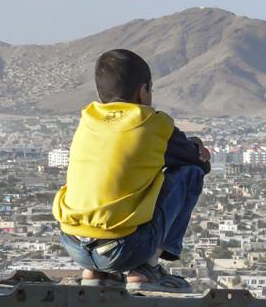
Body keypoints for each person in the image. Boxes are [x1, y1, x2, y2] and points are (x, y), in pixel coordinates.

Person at [52, 49, 211, 293]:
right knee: (190, 173)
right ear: (143, 90)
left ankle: (95, 273)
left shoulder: (88, 120)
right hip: (125, 249)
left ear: (99, 93)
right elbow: (198, 162)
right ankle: (146, 270)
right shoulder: (152, 123)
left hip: (73, 244)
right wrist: (197, 144)